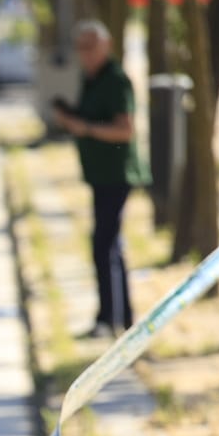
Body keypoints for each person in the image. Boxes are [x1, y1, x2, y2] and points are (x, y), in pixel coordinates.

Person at [51, 20, 148, 338]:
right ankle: (116, 317)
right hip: (98, 174)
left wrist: (86, 128)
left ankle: (114, 319)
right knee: (108, 245)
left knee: (104, 244)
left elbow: (124, 129)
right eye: (81, 47)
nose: (86, 54)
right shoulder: (91, 78)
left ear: (106, 45)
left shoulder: (116, 80)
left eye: (92, 46)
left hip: (117, 173)